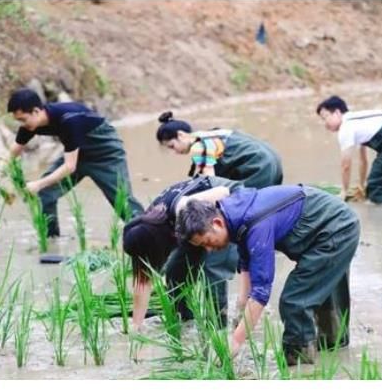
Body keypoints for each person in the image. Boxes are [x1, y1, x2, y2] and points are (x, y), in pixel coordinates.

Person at [175, 184, 360, 365]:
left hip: (336, 228)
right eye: (202, 246)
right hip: (328, 223)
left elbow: (261, 292)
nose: (209, 249)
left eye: (207, 241)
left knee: (295, 301)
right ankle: (335, 354)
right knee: (323, 292)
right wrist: (241, 306)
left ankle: (301, 364)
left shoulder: (256, 225)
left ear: (216, 223)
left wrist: (236, 341)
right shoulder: (233, 213)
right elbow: (246, 257)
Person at [3, 88, 144, 236]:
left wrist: (37, 184)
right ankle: (51, 241)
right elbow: (13, 151)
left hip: (106, 154)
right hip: (77, 153)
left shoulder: (69, 119)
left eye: (22, 119)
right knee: (45, 194)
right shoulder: (30, 125)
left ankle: (150, 236)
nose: (22, 124)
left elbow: (70, 167)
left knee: (124, 203)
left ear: (36, 111)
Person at [123, 176, 243, 329]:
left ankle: (217, 329)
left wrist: (218, 233)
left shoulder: (180, 207)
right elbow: (142, 283)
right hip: (194, 227)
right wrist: (136, 327)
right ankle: (184, 321)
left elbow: (223, 192)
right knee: (175, 272)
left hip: (226, 208)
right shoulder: (146, 227)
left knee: (213, 269)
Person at [155, 111, 283, 188]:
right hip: (272, 160)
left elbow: (209, 181)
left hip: (259, 167)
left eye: (172, 146)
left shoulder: (198, 146)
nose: (175, 152)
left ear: (181, 135)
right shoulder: (213, 133)